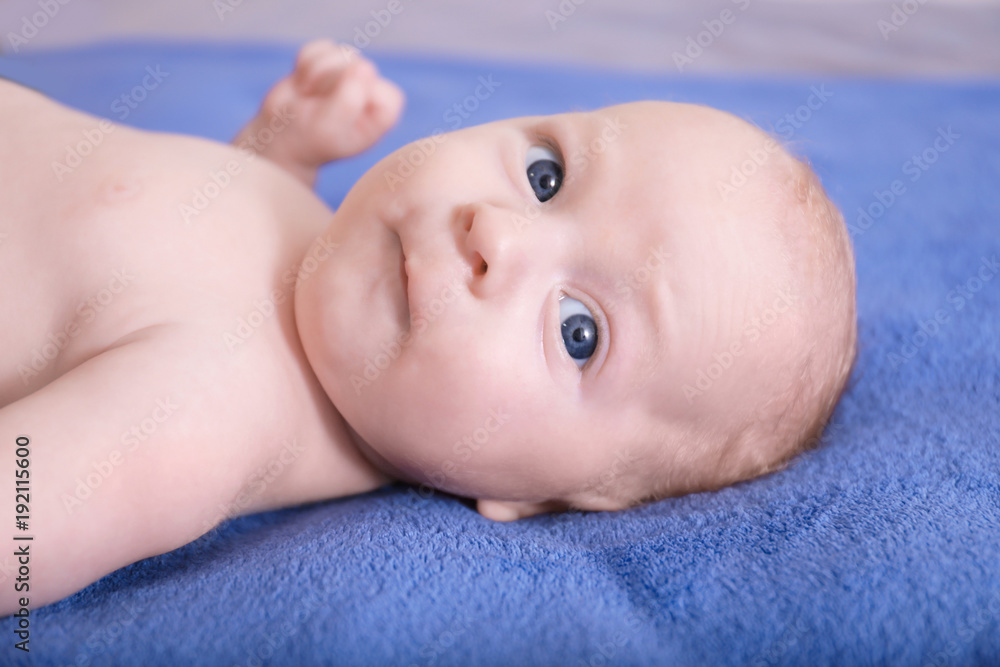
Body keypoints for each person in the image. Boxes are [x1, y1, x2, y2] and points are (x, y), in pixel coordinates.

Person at [0, 40, 855, 614]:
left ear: (535, 496)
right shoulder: (327, 252)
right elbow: (176, 246)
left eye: (578, 332)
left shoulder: (207, 416)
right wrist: (276, 153)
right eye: (547, 176)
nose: (500, 234)